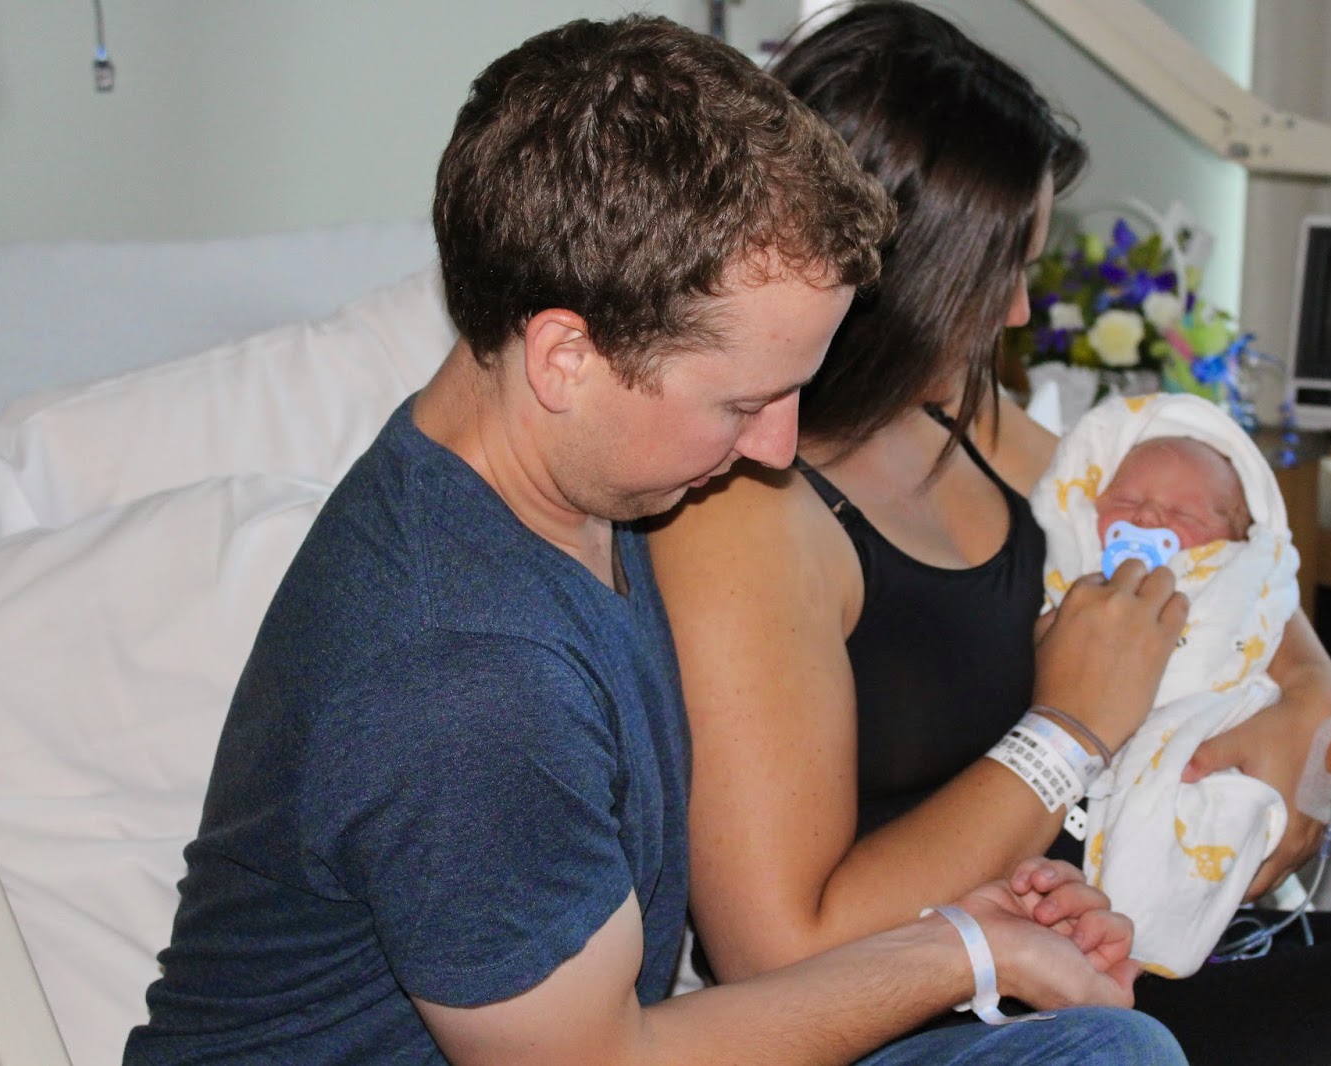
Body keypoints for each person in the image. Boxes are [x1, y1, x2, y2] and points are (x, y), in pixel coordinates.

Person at [124, 14, 1190, 1066]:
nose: (777, 447)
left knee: (1106, 1046)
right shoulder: (466, 674)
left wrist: (965, 926)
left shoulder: (571, 485)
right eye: (742, 404)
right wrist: (956, 952)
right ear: (565, 360)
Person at [647, 2, 1331, 1062]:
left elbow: (1222, 558)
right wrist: (1069, 730)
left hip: (1132, 930)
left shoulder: (964, 417)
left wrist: (1319, 707)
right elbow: (776, 950)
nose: (1015, 314)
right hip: (980, 1016)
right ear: (905, 274)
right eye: (1002, 272)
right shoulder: (746, 513)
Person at [1032, 393, 1324, 978]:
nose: (1146, 520)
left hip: (1209, 741)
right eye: (1126, 502)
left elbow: (1261, 617)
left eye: (1183, 515)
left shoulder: (1235, 574)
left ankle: (1162, 921)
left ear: (1235, 535)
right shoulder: (1073, 585)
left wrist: (1326, 706)